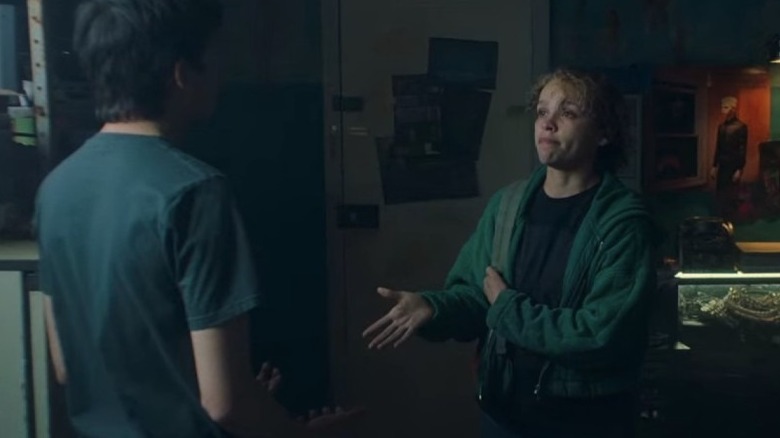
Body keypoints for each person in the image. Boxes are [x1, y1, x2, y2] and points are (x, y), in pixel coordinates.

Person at [35, 0, 357, 437]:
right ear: (182, 73)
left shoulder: (56, 187)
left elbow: (65, 365)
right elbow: (225, 405)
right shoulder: (195, 191)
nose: (221, 75)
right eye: (215, 58)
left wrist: (233, 394)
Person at [363, 68, 656, 438]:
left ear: (604, 133)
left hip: (584, 421)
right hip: (504, 414)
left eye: (567, 112)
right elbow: (477, 297)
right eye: (542, 111)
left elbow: (600, 336)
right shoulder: (508, 205)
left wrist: (507, 308)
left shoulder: (622, 225)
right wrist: (433, 308)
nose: (548, 123)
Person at [710, 96, 748, 216]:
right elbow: (718, 147)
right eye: (722, 107)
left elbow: (742, 149)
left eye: (726, 107)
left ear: (733, 109)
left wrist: (739, 169)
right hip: (722, 164)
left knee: (731, 193)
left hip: (733, 164)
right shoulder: (721, 126)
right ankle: (720, 215)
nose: (723, 110)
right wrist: (714, 166)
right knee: (720, 191)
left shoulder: (741, 127)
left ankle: (731, 217)